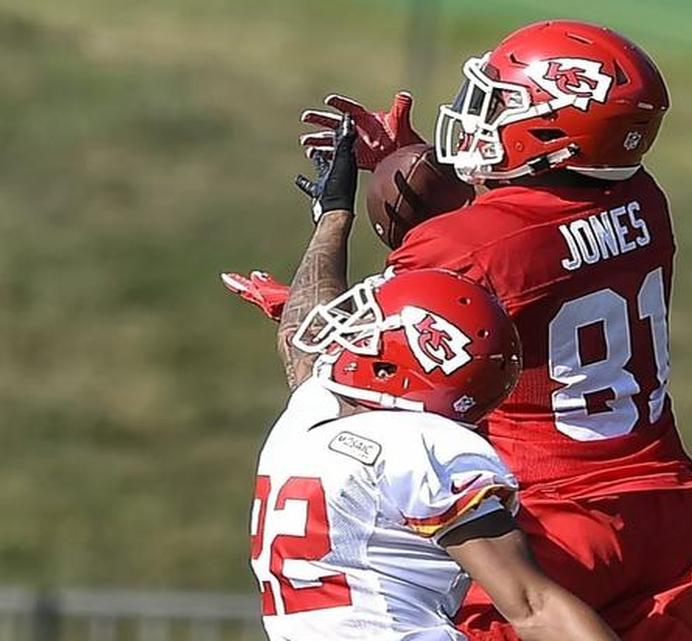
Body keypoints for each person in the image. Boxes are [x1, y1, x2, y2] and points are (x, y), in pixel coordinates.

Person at [228, 19, 692, 641]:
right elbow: (538, 240)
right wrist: (429, 181)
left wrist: (330, 245)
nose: (476, 114)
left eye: (502, 101)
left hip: (554, 516)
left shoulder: (463, 245)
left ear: (554, 132)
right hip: (665, 504)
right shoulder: (644, 199)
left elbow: (352, 365)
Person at [235, 119, 619, 641]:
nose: (350, 331)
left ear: (400, 364)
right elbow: (531, 605)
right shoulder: (422, 446)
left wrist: (333, 219)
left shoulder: (307, 421)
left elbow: (299, 336)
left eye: (371, 324)